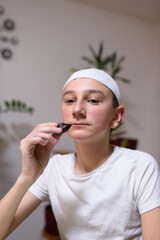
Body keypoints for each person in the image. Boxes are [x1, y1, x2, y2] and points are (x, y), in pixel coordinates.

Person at [2, 68, 160, 240]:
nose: (77, 109)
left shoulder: (140, 166)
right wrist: (26, 176)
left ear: (116, 116)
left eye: (92, 100)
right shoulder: (54, 167)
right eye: (70, 100)